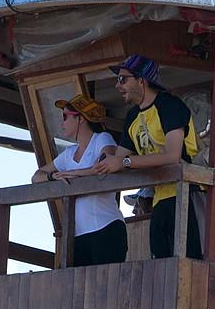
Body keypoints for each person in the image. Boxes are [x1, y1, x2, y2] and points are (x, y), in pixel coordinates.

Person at [91, 54, 202, 260]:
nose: (117, 85)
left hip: (188, 193)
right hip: (159, 197)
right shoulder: (133, 116)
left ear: (141, 81)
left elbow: (172, 156)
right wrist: (73, 173)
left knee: (192, 263)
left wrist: (123, 161)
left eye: (123, 79)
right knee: (161, 264)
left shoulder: (170, 105)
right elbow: (119, 162)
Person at [34, 95, 127, 267]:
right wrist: (52, 176)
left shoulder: (102, 138)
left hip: (106, 228)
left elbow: (105, 163)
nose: (62, 122)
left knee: (106, 290)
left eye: (65, 116)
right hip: (77, 235)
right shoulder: (69, 153)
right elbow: (36, 176)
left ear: (81, 119)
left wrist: (73, 173)